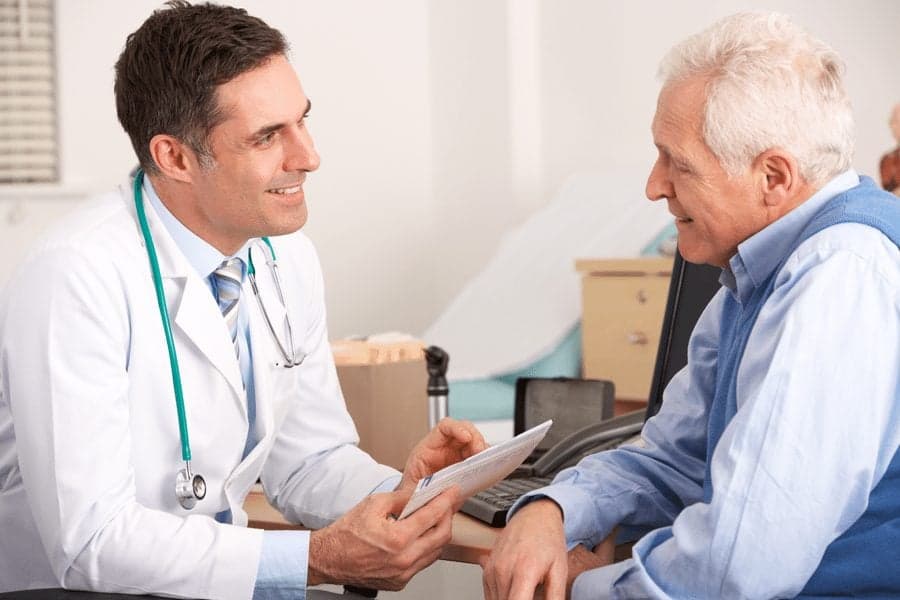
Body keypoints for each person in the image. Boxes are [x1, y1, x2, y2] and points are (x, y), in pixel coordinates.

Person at [0, 2, 487, 599]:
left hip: (202, 582)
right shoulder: (75, 274)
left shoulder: (286, 257)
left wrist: (403, 495)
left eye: (303, 121)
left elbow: (308, 460)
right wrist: (317, 558)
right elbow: (90, 541)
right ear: (173, 157)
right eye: (267, 137)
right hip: (63, 590)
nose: (308, 156)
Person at [483, 11, 900, 600]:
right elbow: (672, 458)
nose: (654, 186)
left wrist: (584, 589)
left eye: (677, 162)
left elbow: (739, 564)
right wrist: (552, 509)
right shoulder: (754, 271)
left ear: (773, 176)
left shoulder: (839, 275)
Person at [879, 103, 900, 195]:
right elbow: (889, 196)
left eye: (895, 121)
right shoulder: (888, 161)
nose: (891, 125)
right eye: (892, 121)